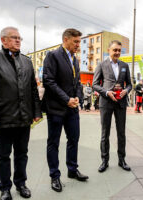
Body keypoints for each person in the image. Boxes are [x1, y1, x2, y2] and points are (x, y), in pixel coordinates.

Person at [0, 26, 42, 200]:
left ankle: (21, 184)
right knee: (3, 156)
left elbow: (33, 90)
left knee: (22, 154)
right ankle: (5, 188)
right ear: (3, 40)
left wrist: (36, 112)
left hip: (24, 119)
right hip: (3, 119)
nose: (18, 40)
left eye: (19, 38)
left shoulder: (26, 61)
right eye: (14, 37)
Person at [43, 28, 88, 193]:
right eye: (76, 41)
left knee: (73, 140)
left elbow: (77, 82)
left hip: (72, 109)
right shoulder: (52, 56)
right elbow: (49, 81)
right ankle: (55, 176)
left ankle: (72, 169)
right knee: (53, 143)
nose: (78, 45)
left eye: (79, 42)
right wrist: (66, 99)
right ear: (65, 39)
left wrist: (77, 98)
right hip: (56, 108)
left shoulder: (74, 59)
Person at [93, 40, 132, 173]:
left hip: (121, 103)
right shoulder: (101, 65)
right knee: (105, 133)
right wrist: (106, 92)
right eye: (114, 50)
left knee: (121, 133)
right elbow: (95, 84)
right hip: (106, 103)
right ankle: (105, 160)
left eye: (119, 50)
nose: (117, 53)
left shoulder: (125, 66)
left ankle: (122, 160)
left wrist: (126, 91)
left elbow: (129, 84)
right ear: (109, 50)